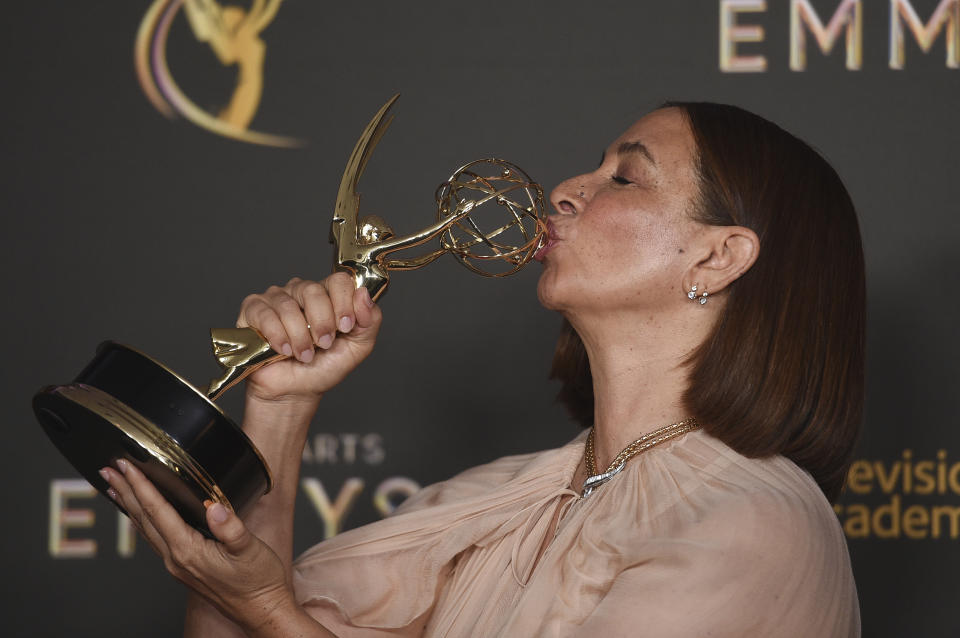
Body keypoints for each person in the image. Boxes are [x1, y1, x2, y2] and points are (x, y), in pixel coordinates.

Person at [99, 102, 864, 637]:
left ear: (719, 255)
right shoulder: (497, 503)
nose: (565, 190)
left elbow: (273, 619)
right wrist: (282, 409)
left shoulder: (753, 524)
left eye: (623, 178)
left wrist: (267, 607)